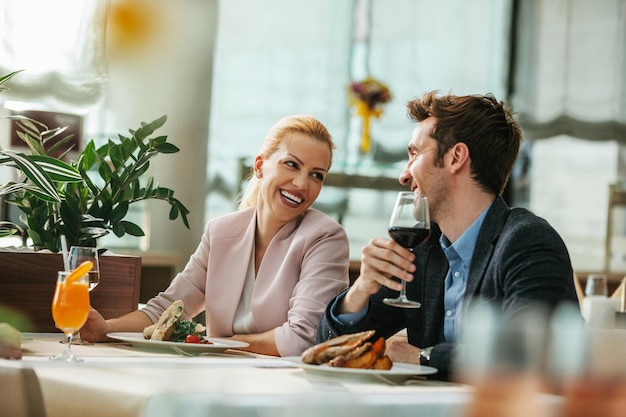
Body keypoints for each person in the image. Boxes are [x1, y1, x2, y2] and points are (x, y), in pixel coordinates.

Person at [316, 91, 579, 380]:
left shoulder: (527, 241)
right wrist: (360, 291)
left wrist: (422, 358)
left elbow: (529, 351)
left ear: (456, 157)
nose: (404, 175)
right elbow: (328, 348)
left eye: (415, 153)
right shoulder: (423, 249)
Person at [80, 114, 350, 356]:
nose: (302, 184)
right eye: (291, 164)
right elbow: (168, 308)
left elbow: (302, 339)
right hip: (218, 376)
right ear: (260, 166)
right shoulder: (220, 232)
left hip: (284, 388)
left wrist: (221, 343)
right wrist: (105, 329)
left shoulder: (326, 238)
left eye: (317, 175)